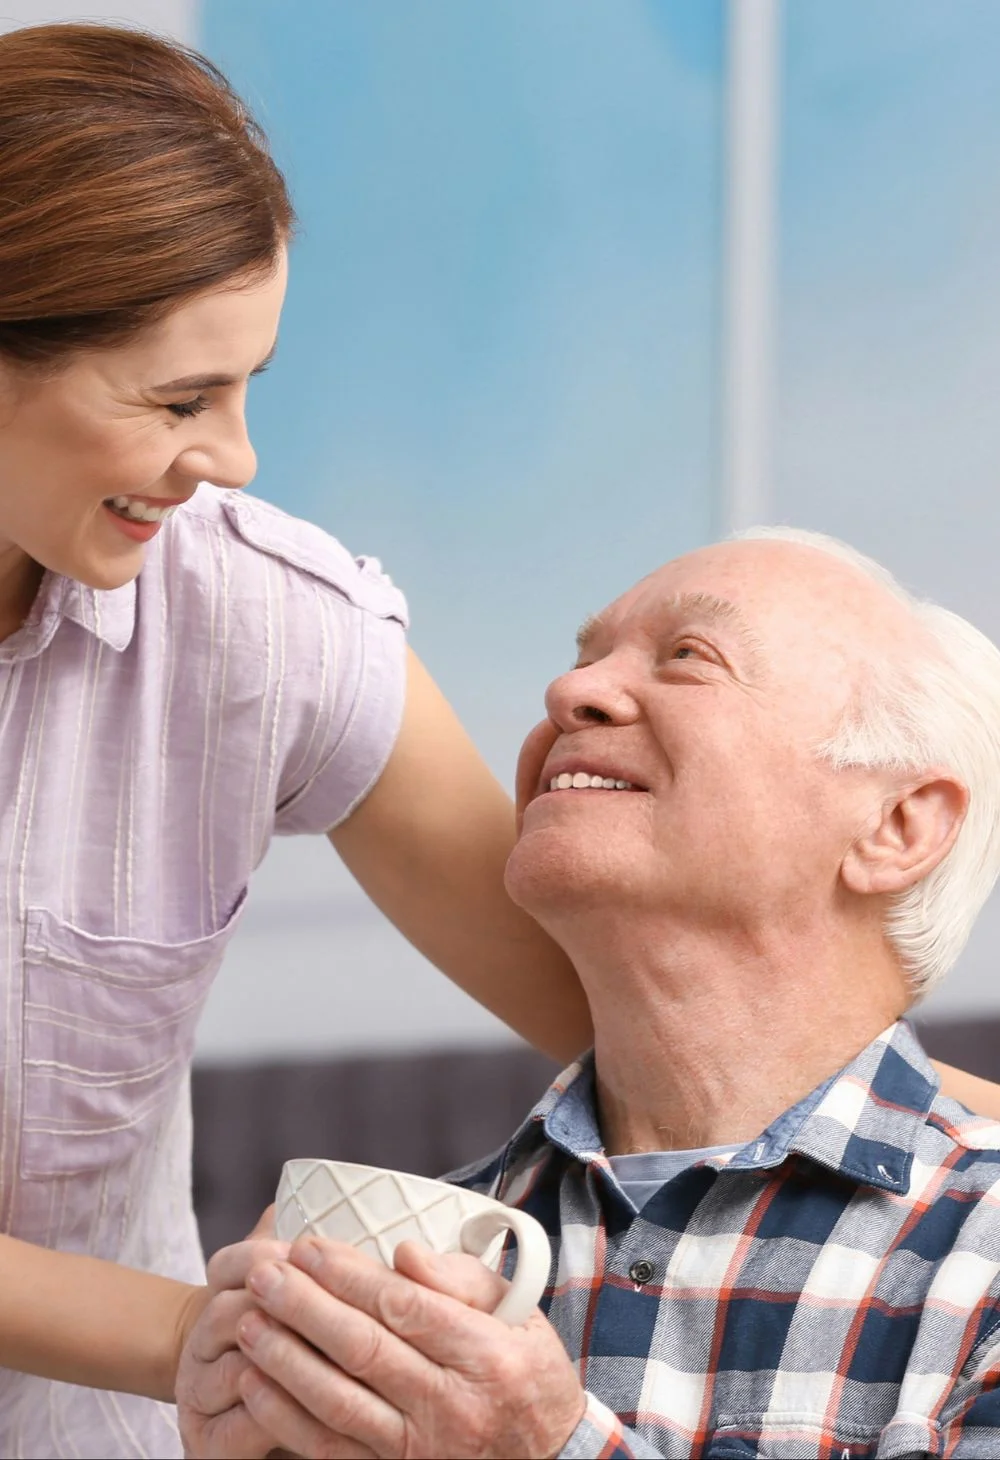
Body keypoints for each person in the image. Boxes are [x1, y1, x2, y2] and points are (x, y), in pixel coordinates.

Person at [0, 21, 593, 1460]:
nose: (234, 458)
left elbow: (622, 1001)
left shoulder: (256, 623)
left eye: (248, 384)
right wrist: (225, 1345)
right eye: (178, 400)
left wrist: (937, 1112)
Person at [180, 528, 1000, 1460]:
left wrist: (544, 1449)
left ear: (896, 825)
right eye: (583, 659)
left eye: (690, 657)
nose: (569, 693)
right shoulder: (416, 1267)